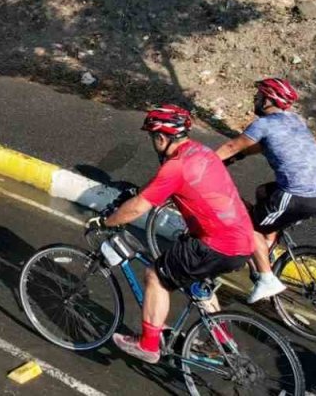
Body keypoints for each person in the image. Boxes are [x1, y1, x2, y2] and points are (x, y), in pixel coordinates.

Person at [98, 104, 255, 365]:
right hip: (242, 242)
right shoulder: (202, 152)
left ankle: (148, 345)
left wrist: (108, 221)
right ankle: (223, 342)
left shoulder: (176, 166)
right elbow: (163, 182)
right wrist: (140, 191)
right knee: (198, 283)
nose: (153, 142)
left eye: (152, 137)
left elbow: (138, 208)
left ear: (161, 137)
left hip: (216, 244)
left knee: (156, 276)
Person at [215, 78, 316, 303]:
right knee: (263, 192)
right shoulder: (295, 120)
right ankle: (266, 247)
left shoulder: (263, 124)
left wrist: (204, 163)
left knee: (249, 226)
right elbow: (259, 146)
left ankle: (266, 278)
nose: (255, 99)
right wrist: (237, 157)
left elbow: (232, 146)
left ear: (269, 99)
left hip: (297, 197)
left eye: (259, 95)